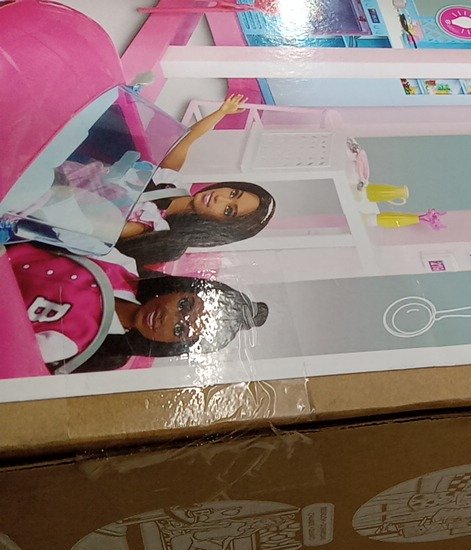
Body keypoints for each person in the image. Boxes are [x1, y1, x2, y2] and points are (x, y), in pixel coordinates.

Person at [9, 243, 268, 373]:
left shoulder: (85, 347)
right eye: (184, 305)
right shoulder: (119, 266)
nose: (167, 318)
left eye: (180, 329)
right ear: (179, 288)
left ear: (172, 344)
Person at [114, 94, 276, 266]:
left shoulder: (159, 229)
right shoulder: (172, 183)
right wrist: (222, 112)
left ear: (221, 226)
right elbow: (187, 140)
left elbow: (106, 228)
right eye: (233, 193)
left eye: (228, 210)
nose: (220, 198)